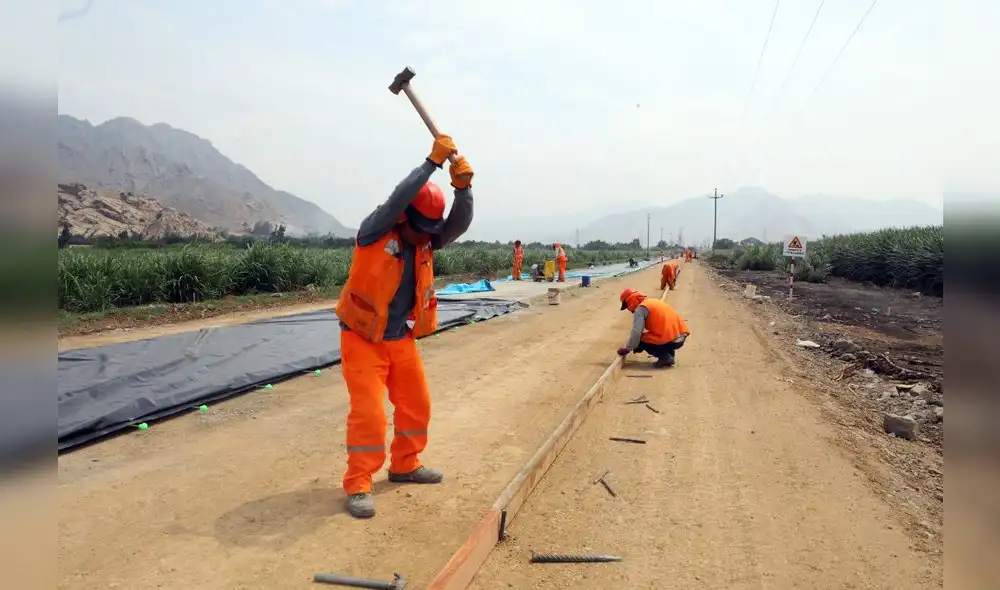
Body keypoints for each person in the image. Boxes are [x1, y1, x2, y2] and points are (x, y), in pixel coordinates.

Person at [335, 134, 474, 519]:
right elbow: (398, 197)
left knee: (417, 405)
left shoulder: (425, 240)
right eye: (421, 228)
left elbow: (456, 226)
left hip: (399, 338)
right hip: (362, 337)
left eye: (432, 230)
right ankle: (359, 482)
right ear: (403, 218)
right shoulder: (375, 231)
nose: (427, 237)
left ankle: (405, 465)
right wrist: (430, 164)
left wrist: (463, 190)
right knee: (369, 415)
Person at [617, 288, 690, 367]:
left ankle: (665, 357)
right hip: (681, 336)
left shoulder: (640, 309)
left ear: (630, 301)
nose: (628, 309)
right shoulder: (652, 302)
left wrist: (628, 348)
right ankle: (670, 356)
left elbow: (637, 332)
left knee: (641, 339)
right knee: (660, 334)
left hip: (671, 340)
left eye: (627, 306)